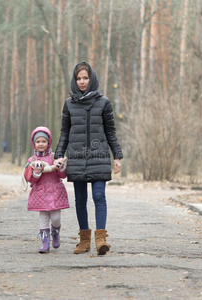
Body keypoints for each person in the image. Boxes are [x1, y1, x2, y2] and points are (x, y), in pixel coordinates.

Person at [54, 62, 123, 255]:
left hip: (99, 156)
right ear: (74, 81)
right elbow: (65, 132)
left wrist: (117, 156)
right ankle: (84, 241)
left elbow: (111, 131)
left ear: (91, 78)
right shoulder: (69, 104)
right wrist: (59, 155)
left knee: (99, 196)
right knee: (80, 199)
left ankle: (101, 240)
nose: (82, 81)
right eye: (79, 78)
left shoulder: (104, 102)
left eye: (85, 78)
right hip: (76, 157)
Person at [25, 126, 69, 253]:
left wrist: (60, 167)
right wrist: (36, 172)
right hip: (40, 193)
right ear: (33, 143)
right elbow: (31, 180)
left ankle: (55, 232)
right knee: (43, 218)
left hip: (55, 192)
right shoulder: (32, 160)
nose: (41, 144)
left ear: (49, 142)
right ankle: (45, 243)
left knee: (56, 218)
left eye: (43, 141)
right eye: (38, 142)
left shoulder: (55, 157)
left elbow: (63, 176)